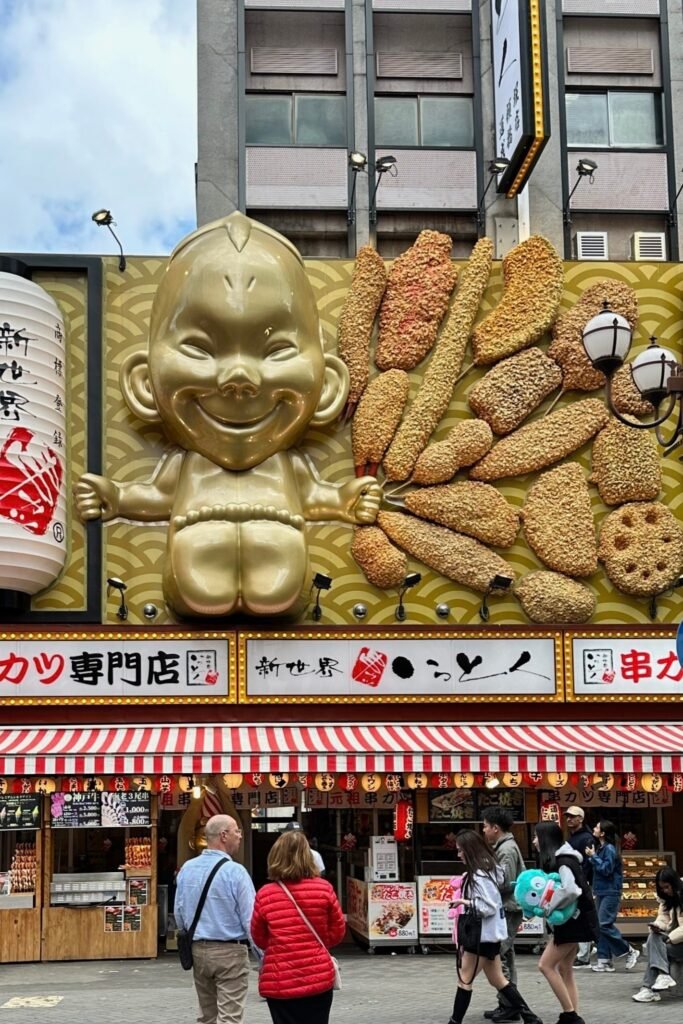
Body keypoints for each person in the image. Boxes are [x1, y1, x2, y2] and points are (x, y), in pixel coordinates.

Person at [251, 829, 346, 1024]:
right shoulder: (323, 888)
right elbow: (337, 931)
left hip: (279, 979)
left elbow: (258, 937)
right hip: (317, 976)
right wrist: (316, 943)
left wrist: (279, 943)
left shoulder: (265, 893)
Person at [447, 830, 541, 1024]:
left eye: (460, 850)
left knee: (465, 979)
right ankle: (530, 1018)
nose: (458, 855)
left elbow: (487, 907)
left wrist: (464, 902)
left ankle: (454, 1021)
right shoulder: (490, 871)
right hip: (490, 936)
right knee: (498, 979)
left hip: (480, 936)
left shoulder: (480, 875)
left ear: (469, 850)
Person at [174, 814, 256, 1024]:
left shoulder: (187, 869)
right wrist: (262, 955)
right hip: (231, 952)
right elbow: (250, 920)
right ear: (223, 835)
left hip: (198, 950)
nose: (240, 835)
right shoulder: (236, 872)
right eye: (236, 830)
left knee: (207, 1016)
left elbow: (179, 914)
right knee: (230, 1016)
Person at [534, 821, 598, 1024]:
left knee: (545, 965)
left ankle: (570, 1014)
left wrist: (549, 906)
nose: (534, 841)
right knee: (565, 970)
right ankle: (573, 1014)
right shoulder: (569, 858)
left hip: (572, 923)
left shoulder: (562, 861)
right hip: (580, 921)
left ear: (545, 840)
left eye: (536, 837)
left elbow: (571, 890)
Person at [481, 807, 527, 1024]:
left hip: (508, 908)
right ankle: (507, 1003)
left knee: (499, 956)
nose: (484, 830)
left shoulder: (506, 850)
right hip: (507, 908)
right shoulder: (504, 846)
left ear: (495, 828)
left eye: (485, 826)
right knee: (506, 955)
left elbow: (506, 882)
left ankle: (511, 1006)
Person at [584, 819, 639, 973]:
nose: (594, 829)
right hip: (601, 890)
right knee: (601, 926)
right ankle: (604, 960)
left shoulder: (608, 849)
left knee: (604, 924)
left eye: (596, 827)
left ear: (602, 833)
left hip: (610, 891)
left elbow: (606, 869)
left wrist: (593, 856)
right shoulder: (602, 848)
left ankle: (628, 950)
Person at [632, 867, 683, 1002]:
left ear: (674, 883)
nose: (665, 891)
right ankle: (661, 977)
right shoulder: (666, 899)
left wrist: (670, 938)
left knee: (657, 949)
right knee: (653, 937)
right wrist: (658, 926)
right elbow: (663, 918)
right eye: (662, 888)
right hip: (676, 941)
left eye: (667, 887)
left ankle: (648, 989)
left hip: (677, 941)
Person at [564, 807, 594, 969]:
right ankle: (582, 952)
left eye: (572, 817)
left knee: (581, 916)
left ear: (580, 819)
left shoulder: (586, 838)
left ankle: (583, 956)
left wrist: (583, 882)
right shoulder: (574, 837)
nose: (569, 819)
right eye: (567, 816)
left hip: (581, 883)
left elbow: (588, 864)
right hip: (574, 882)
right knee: (576, 916)